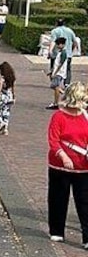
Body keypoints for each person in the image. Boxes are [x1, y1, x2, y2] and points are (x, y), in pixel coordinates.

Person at [46, 82, 88, 246]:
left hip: (83, 166)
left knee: (85, 202)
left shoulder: (85, 115)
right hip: (59, 166)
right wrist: (63, 157)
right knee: (58, 198)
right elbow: (53, 140)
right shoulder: (58, 116)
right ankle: (56, 230)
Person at [50, 19, 80, 86]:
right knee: (68, 69)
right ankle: (67, 83)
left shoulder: (54, 31)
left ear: (56, 23)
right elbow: (75, 42)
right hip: (68, 53)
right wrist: (71, 50)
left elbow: (53, 42)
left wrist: (50, 51)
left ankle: (55, 82)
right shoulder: (70, 31)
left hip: (57, 53)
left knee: (55, 67)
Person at [0, 61, 16, 135]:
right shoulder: (12, 78)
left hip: (3, 96)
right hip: (9, 96)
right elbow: (13, 88)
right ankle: (5, 129)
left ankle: (2, 123)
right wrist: (14, 96)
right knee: (6, 113)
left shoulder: (2, 79)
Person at [47, 37, 68, 109]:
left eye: (59, 44)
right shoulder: (60, 52)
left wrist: (55, 72)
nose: (58, 46)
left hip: (59, 73)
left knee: (55, 86)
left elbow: (60, 64)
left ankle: (56, 102)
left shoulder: (63, 53)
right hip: (58, 72)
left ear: (62, 44)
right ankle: (64, 94)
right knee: (54, 86)